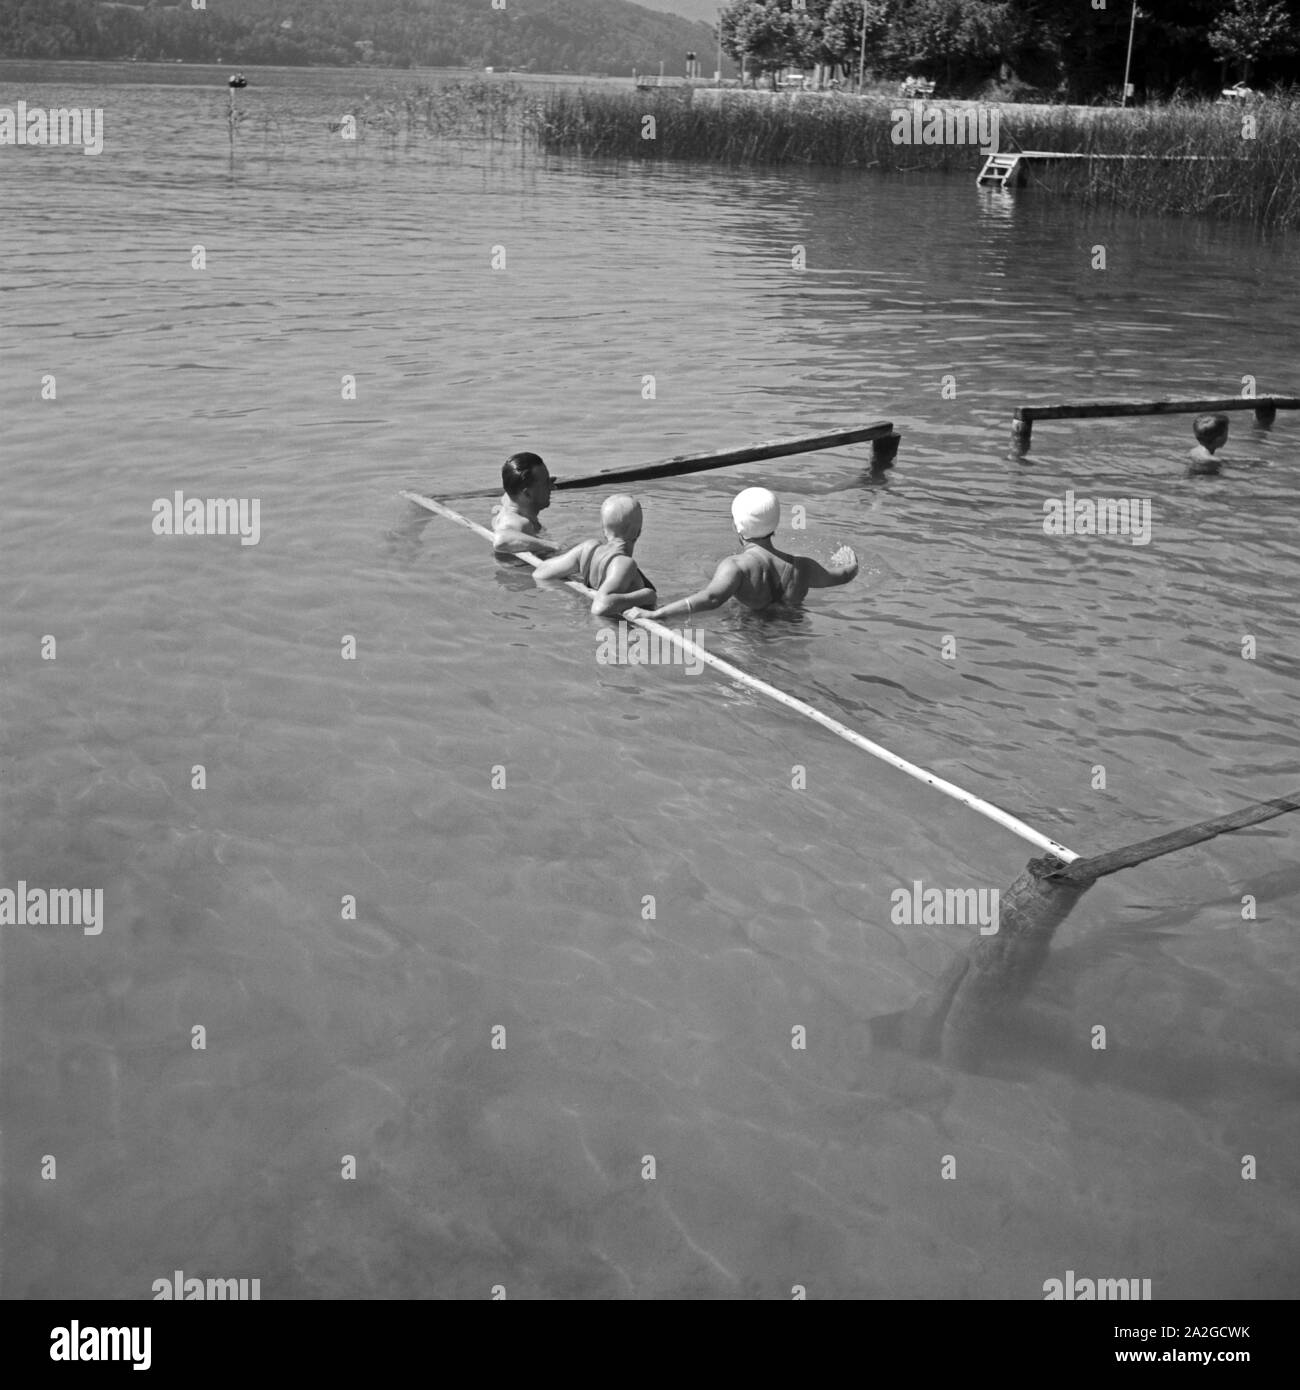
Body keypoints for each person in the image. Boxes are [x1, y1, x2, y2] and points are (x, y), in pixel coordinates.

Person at [628, 486, 857, 622]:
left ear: (737, 527)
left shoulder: (735, 567)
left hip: (748, 633)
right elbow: (840, 576)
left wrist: (657, 615)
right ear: (776, 523)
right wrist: (850, 564)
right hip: (792, 630)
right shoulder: (803, 567)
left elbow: (710, 598)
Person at [531, 495, 657, 618]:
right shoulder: (623, 563)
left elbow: (540, 573)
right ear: (639, 532)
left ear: (603, 528)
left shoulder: (588, 549)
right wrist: (646, 596)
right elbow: (600, 606)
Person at [491, 451, 559, 555]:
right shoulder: (521, 523)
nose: (553, 487)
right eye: (546, 483)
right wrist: (552, 545)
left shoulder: (509, 499)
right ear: (527, 493)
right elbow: (501, 540)